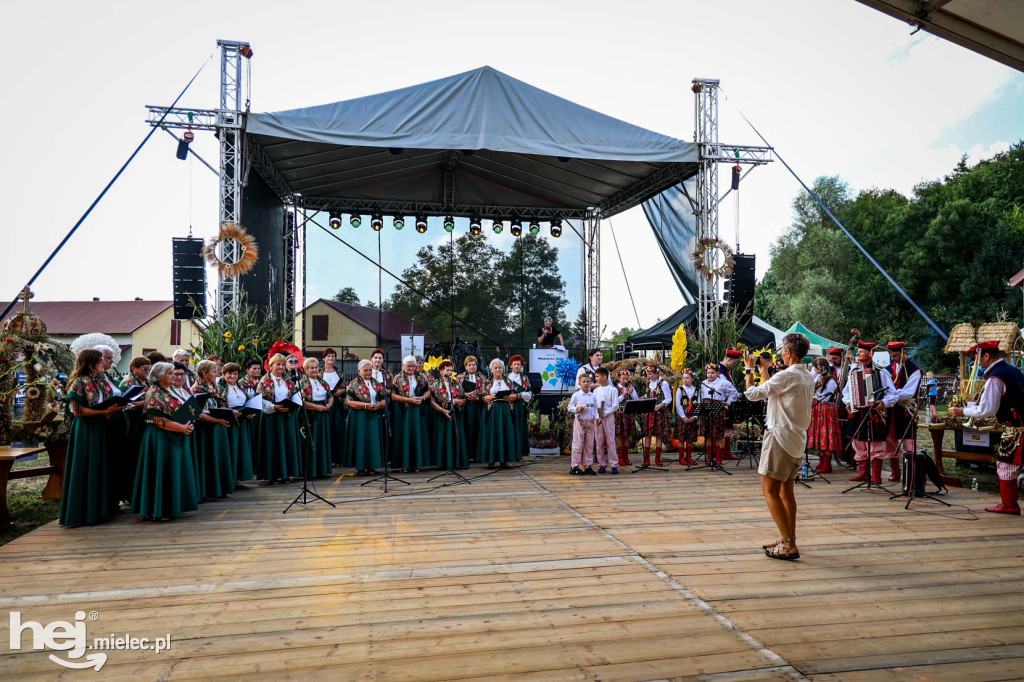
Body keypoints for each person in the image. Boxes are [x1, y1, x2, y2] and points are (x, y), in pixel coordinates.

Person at [743, 332, 815, 561]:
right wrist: (765, 373)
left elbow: (752, 394)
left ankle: (788, 543)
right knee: (787, 491)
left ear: (789, 352)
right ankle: (788, 536)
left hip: (779, 437)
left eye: (782, 349)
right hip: (796, 439)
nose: (779, 353)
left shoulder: (786, 376)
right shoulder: (806, 375)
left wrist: (749, 370)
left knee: (770, 491)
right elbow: (774, 391)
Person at [949, 340, 1024, 515]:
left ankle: (1009, 505)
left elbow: (987, 409)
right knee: (1008, 464)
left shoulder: (996, 377)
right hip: (1019, 425)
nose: (975, 360)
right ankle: (1010, 504)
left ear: (986, 356)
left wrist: (962, 411)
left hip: (1017, 429)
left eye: (976, 356)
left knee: (1005, 463)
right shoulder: (1011, 370)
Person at [59, 349, 124, 527]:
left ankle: (103, 508)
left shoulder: (100, 380)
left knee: (101, 466)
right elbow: (77, 411)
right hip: (86, 429)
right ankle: (84, 512)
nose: (102, 363)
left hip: (102, 426)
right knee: (88, 466)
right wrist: (105, 411)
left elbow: (108, 398)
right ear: (90, 362)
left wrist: (114, 408)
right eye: (99, 360)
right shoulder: (78, 382)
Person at [131, 362, 199, 521]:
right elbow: (158, 419)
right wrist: (182, 428)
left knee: (171, 471)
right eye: (170, 373)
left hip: (173, 436)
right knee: (161, 471)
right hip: (160, 438)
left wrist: (186, 425)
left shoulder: (169, 391)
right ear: (160, 376)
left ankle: (169, 507)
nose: (174, 376)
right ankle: (159, 510)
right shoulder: (154, 392)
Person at [842, 341, 899, 484]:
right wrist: (848, 402)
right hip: (858, 413)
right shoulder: (853, 372)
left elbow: (893, 394)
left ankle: (876, 475)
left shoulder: (880, 372)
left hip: (874, 413)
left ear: (870, 353)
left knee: (875, 443)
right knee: (858, 441)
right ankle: (864, 472)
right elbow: (847, 392)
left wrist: (884, 403)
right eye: (858, 351)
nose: (858, 353)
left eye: (861, 351)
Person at [192, 360, 234, 500]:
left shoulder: (216, 386)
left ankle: (220, 488)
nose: (217, 373)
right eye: (214, 371)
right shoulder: (197, 389)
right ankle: (207, 491)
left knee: (219, 456)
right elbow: (198, 413)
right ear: (204, 374)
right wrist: (217, 420)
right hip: (205, 429)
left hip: (218, 426)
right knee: (207, 458)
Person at [257, 353, 300, 484]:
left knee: (286, 443)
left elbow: (295, 395)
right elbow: (259, 400)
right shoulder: (264, 381)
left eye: (282, 364)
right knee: (273, 445)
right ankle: (272, 475)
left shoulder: (288, 380)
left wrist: (294, 404)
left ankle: (285, 474)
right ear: (270, 366)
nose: (281, 367)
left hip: (286, 416)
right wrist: (274, 408)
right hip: (271, 418)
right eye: (278, 364)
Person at [883, 341, 921, 482]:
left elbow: (909, 392)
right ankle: (896, 471)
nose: (893, 359)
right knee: (890, 440)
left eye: (896, 355)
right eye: (891, 356)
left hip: (906, 410)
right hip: (891, 410)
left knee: (909, 441)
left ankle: (913, 474)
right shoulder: (887, 369)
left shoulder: (914, 370)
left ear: (904, 353)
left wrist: (892, 395)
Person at [118, 356, 151, 505]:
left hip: (142, 420)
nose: (147, 372)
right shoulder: (127, 382)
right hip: (132, 423)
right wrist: (146, 402)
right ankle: (129, 494)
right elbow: (126, 403)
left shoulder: (146, 381)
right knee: (131, 456)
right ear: (134, 368)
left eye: (148, 369)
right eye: (144, 369)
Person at [345, 359, 387, 474]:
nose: (368, 372)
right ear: (359, 371)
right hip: (360, 416)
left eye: (370, 370)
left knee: (372, 440)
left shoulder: (377, 383)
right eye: (365, 370)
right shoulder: (353, 384)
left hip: (374, 414)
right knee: (361, 440)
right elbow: (348, 402)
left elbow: (385, 399)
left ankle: (371, 465)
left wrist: (380, 404)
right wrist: (365, 405)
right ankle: (360, 467)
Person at [391, 356, 431, 473]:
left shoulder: (421, 377)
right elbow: (393, 396)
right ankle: (404, 464)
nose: (411, 368)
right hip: (404, 410)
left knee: (416, 436)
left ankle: (416, 464)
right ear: (403, 366)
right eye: (408, 365)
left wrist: (423, 398)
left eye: (413, 366)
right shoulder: (398, 378)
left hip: (418, 410)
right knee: (404, 436)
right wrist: (408, 400)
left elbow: (428, 391)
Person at [298, 357, 334, 478]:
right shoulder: (302, 382)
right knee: (310, 441)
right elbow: (300, 401)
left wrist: (329, 404)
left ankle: (322, 469)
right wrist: (315, 407)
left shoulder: (323, 382)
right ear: (306, 369)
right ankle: (310, 471)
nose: (314, 370)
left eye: (316, 367)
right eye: (311, 368)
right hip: (310, 415)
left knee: (321, 441)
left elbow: (330, 395)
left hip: (322, 414)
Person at [430, 360, 469, 470]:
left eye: (451, 370)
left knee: (456, 436)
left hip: (455, 412)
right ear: (441, 371)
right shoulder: (436, 384)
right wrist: (443, 410)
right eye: (447, 370)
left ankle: (456, 462)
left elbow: (463, 399)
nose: (449, 372)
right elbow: (432, 402)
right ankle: (444, 463)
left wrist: (457, 401)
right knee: (443, 437)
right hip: (442, 413)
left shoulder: (456, 383)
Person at [479, 358, 518, 468]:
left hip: (506, 410)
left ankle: (504, 460)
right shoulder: (487, 382)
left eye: (500, 368)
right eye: (495, 368)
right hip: (492, 410)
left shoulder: (509, 382)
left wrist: (511, 396)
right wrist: (489, 396)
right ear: (491, 370)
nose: (498, 370)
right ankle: (491, 460)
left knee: (505, 433)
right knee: (492, 434)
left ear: (503, 369)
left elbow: (515, 394)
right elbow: (481, 396)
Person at [221, 362, 254, 485]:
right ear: (224, 374)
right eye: (229, 373)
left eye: (235, 373)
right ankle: (230, 479)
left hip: (242, 421)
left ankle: (238, 477)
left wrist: (251, 412)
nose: (232, 376)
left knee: (241, 450)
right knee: (231, 449)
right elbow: (220, 404)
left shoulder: (240, 387)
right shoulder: (220, 387)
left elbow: (248, 402)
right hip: (229, 422)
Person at [807, 357, 841, 474]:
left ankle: (827, 464)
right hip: (818, 409)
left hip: (827, 410)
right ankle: (822, 462)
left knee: (826, 435)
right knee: (820, 437)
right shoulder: (820, 378)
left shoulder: (830, 380)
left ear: (821, 367)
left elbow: (825, 397)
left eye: (815, 367)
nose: (813, 370)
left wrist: (814, 394)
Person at [701, 363, 740, 461]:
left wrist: (728, 402)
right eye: (708, 373)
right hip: (706, 410)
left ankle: (719, 456)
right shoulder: (704, 383)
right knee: (708, 434)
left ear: (718, 373)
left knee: (719, 434)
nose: (710, 375)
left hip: (718, 409)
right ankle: (710, 456)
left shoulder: (723, 382)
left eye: (713, 373)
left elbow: (734, 393)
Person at [641, 364, 672, 467]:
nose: (648, 376)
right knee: (648, 435)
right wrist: (641, 398)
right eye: (647, 374)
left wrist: (660, 405)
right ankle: (647, 459)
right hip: (649, 412)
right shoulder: (648, 383)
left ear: (656, 373)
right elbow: (647, 395)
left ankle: (657, 459)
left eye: (650, 374)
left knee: (659, 435)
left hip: (659, 413)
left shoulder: (664, 383)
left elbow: (668, 398)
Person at [321, 348, 348, 468]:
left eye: (332, 356)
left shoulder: (339, 372)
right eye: (328, 356)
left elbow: (346, 387)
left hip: (338, 404)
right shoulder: (319, 373)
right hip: (324, 404)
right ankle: (328, 459)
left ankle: (339, 459)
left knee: (339, 429)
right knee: (327, 429)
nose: (330, 358)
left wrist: (340, 391)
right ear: (323, 358)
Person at [567, 374, 599, 475]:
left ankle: (587, 465)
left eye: (588, 381)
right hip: (580, 422)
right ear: (579, 383)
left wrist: (597, 417)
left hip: (590, 422)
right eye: (584, 382)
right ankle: (574, 466)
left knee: (589, 445)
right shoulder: (576, 395)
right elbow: (570, 407)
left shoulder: (593, 396)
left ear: (590, 383)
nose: (586, 383)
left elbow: (595, 408)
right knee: (577, 444)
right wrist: (577, 409)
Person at [458, 356, 487, 460]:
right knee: (466, 429)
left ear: (477, 365)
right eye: (469, 365)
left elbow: (486, 392)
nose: (472, 367)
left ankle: (477, 455)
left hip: (478, 406)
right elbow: (456, 392)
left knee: (478, 429)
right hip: (464, 407)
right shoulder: (460, 377)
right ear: (466, 366)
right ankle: (466, 455)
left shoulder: (482, 377)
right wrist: (465, 395)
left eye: (473, 364)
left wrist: (477, 397)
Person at [592, 367, 620, 473]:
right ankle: (602, 464)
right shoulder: (595, 390)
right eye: (596, 376)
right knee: (599, 441)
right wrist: (597, 415)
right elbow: (594, 404)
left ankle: (614, 464)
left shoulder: (612, 390)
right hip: (598, 418)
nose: (596, 378)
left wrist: (606, 413)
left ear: (604, 377)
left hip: (608, 416)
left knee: (610, 441)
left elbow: (615, 405)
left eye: (598, 376)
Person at [507, 355, 533, 460]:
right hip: (509, 406)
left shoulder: (524, 378)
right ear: (511, 365)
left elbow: (529, 393)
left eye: (519, 364)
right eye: (515, 364)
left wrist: (519, 395)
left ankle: (521, 451)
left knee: (520, 427)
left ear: (522, 366)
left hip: (520, 406)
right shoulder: (507, 378)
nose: (517, 366)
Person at [674, 369, 700, 466]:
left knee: (690, 437)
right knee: (681, 438)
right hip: (683, 416)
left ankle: (689, 457)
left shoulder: (696, 390)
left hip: (692, 415)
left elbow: (699, 403)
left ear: (692, 379)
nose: (685, 380)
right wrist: (683, 417)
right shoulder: (680, 389)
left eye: (687, 378)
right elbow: (677, 403)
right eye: (683, 378)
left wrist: (695, 416)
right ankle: (681, 457)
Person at [242, 358, 264, 469]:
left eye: (259, 368)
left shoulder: (265, 381)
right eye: (254, 369)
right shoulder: (242, 383)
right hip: (250, 415)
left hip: (262, 414)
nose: (257, 371)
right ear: (247, 370)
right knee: (252, 439)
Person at [613, 369, 637, 466]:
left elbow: (636, 399)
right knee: (620, 436)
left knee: (627, 436)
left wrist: (631, 392)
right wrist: (623, 395)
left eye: (627, 379)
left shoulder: (631, 388)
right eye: (623, 379)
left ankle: (626, 456)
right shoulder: (615, 389)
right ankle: (620, 457)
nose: (625, 381)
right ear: (619, 378)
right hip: (619, 415)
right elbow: (615, 402)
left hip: (628, 414)